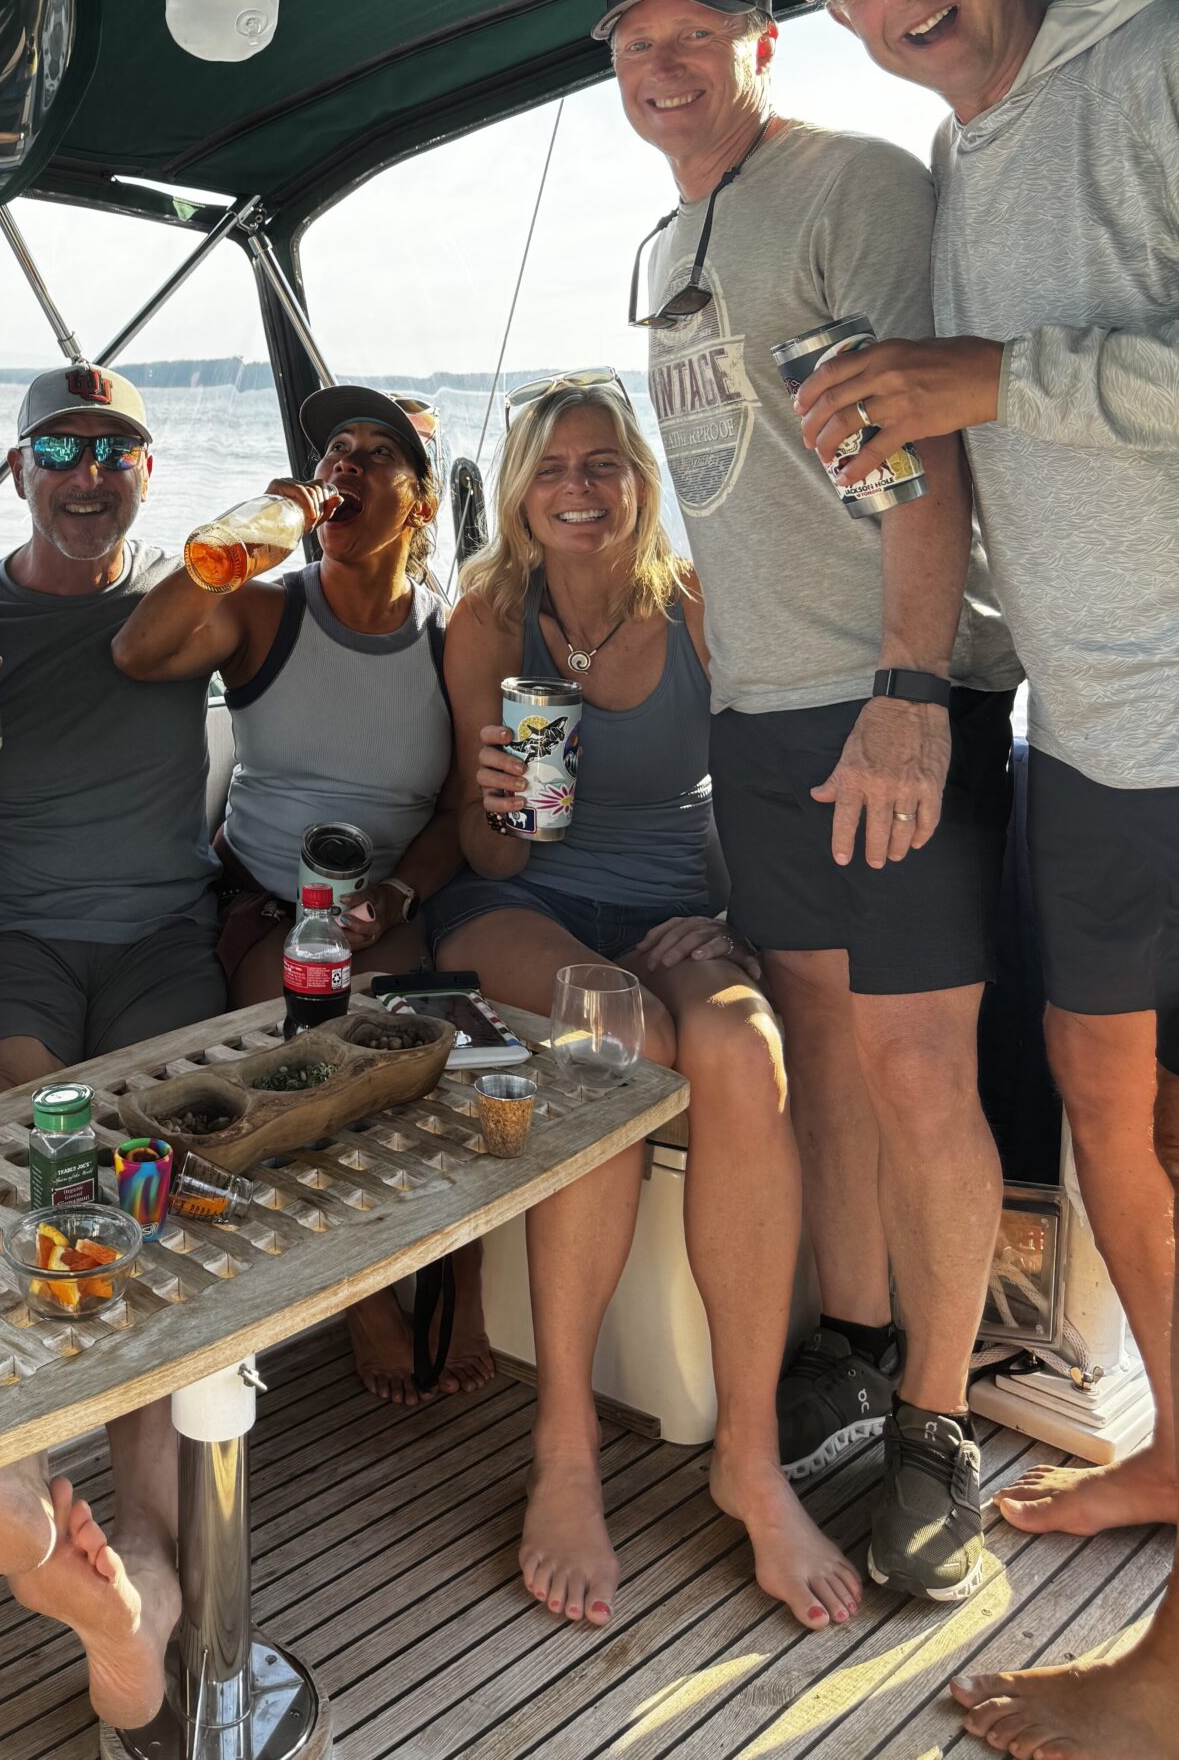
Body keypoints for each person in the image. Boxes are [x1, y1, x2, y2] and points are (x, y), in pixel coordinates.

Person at [792, 0, 1179, 1754]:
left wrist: (995, 378)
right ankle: (1176, 1450)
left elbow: (1023, 384)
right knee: (1109, 1119)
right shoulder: (962, 160)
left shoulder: (1157, 61)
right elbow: (987, 431)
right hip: (1091, 726)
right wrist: (891, 439)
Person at [604, 0, 1021, 1603]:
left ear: (760, 42)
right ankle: (852, 1344)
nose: (662, 65)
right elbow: (738, 485)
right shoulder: (663, 240)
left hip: (889, 693)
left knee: (920, 1072)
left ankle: (939, 1420)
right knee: (829, 1063)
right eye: (633, 42)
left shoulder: (851, 184)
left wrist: (911, 690)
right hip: (761, 712)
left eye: (693, 33)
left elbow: (919, 444)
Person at [435, 376, 859, 1633]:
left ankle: (749, 1458)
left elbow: (772, 790)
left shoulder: (699, 608)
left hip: (679, 907)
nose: (579, 486)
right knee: (616, 1033)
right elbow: (481, 847)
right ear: (522, 491)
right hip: (517, 907)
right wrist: (500, 804)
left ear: (641, 481)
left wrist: (740, 925)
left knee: (740, 1048)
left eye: (604, 463)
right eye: (554, 466)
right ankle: (565, 1448)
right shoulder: (486, 621)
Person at [0, 361, 226, 1732]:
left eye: (113, 449)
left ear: (147, 470)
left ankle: (144, 1548)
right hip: (7, 938)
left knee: (152, 1162)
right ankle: (28, 1479)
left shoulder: (194, 607)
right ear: (19, 468)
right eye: (61, 450)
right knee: (39, 1129)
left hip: (160, 937)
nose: (88, 475)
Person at [112, 381, 491, 1406]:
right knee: (286, 1053)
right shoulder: (269, 608)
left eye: (378, 454)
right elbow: (139, 650)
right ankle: (359, 1300)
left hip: (387, 906)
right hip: (270, 901)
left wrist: (398, 896)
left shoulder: (449, 636)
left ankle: (462, 1278)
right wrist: (244, 537)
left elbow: (457, 810)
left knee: (439, 1044)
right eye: (336, 451)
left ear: (420, 504)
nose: (345, 466)